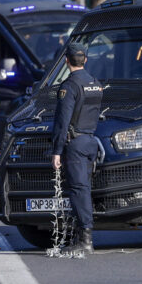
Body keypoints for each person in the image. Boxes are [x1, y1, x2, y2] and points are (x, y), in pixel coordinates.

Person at [51, 43, 103, 255]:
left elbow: (63, 121)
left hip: (75, 144)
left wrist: (56, 150)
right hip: (90, 140)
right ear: (85, 60)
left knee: (78, 190)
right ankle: (80, 236)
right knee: (83, 190)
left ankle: (85, 240)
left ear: (66, 61)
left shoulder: (69, 86)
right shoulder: (95, 84)